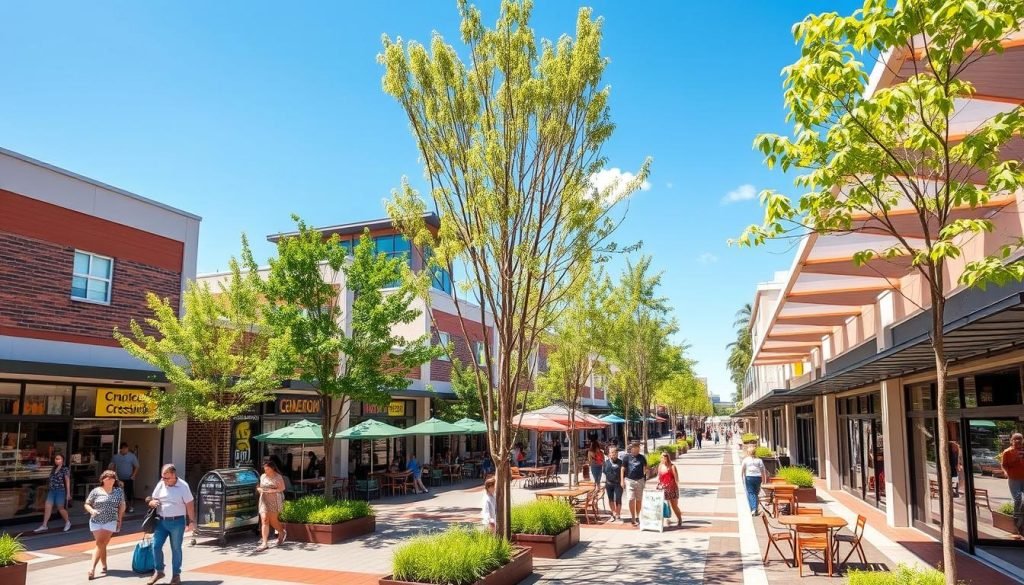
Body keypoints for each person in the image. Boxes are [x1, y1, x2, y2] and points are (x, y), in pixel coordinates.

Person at [146, 464, 196, 585]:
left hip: (177, 522)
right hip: (161, 521)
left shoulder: (183, 486)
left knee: (176, 549)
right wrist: (151, 501)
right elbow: (153, 498)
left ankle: (176, 575)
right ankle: (159, 571)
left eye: (166, 478)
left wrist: (191, 521)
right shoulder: (161, 483)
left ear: (173, 475)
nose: (164, 480)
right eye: (162, 477)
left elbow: (189, 503)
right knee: (155, 546)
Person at [84, 470, 125, 580]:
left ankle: (92, 569)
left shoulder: (119, 491)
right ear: (102, 479)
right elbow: (87, 504)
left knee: (100, 543)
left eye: (113, 478)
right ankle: (104, 565)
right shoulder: (96, 491)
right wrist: (91, 511)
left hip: (111, 520)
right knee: (101, 544)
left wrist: (119, 520)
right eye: (108, 477)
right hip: (96, 520)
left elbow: (122, 506)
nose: (110, 479)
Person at [35, 453, 72, 532]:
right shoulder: (53, 468)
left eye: (59, 459)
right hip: (52, 491)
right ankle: (44, 525)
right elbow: (51, 480)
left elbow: (67, 481)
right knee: (47, 507)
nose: (57, 460)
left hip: (60, 491)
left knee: (60, 508)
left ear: (62, 460)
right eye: (56, 459)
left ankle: (67, 522)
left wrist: (68, 493)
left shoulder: (64, 469)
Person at [256, 459, 286, 551]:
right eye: (265, 469)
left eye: (267, 469)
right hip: (264, 500)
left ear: (272, 468)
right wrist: (259, 489)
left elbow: (282, 488)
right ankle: (264, 543)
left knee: (273, 521)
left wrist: (273, 490)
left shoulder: (278, 477)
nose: (266, 470)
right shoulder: (263, 476)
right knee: (264, 519)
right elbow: (259, 486)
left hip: (274, 500)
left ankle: (281, 532)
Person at [620, 442, 648, 527]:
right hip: (629, 480)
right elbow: (622, 469)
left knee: (639, 500)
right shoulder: (626, 457)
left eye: (638, 448)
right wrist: (622, 480)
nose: (637, 449)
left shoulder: (642, 457)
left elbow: (646, 467)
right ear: (631, 449)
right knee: (631, 499)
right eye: (635, 448)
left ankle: (638, 515)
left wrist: (645, 475)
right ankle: (633, 517)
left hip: (640, 480)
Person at [111, 442, 139, 513]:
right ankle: (119, 508)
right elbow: (112, 466)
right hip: (119, 479)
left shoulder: (132, 456)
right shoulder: (116, 457)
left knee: (128, 493)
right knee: (118, 493)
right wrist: (114, 476)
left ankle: (130, 507)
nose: (125, 450)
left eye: (126, 448)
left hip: (128, 478)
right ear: (121, 449)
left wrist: (133, 475)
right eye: (124, 449)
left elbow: (137, 466)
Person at [741, 445, 768, 516]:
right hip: (758, 478)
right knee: (756, 493)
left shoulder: (745, 460)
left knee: (751, 493)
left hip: (749, 477)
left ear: (748, 452)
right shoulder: (759, 460)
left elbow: (742, 470)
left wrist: (742, 478)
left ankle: (753, 509)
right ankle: (755, 508)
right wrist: (764, 479)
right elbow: (763, 470)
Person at [1000, 433, 1024, 511]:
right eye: (1016, 439)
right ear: (1011, 441)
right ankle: (1016, 518)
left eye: (1020, 439)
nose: (1018, 441)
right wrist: (1006, 472)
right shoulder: (1007, 452)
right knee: (1017, 499)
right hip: (1014, 479)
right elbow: (1003, 465)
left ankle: (1021, 515)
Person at [658, 452, 683, 527]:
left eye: (665, 457)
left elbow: (676, 479)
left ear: (668, 458)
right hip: (663, 489)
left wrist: (677, 487)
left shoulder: (672, 466)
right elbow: (659, 477)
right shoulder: (660, 466)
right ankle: (666, 519)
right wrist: (659, 484)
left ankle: (679, 518)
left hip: (672, 488)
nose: (663, 459)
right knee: (664, 505)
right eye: (662, 457)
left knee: (674, 506)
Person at [602, 446, 624, 521]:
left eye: (615, 452)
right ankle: (613, 513)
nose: (613, 454)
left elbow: (624, 473)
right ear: (609, 454)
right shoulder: (606, 462)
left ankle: (618, 514)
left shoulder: (621, 462)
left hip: (618, 484)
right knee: (610, 499)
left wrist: (622, 481)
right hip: (609, 484)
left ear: (617, 453)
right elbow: (604, 471)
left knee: (618, 499)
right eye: (612, 452)